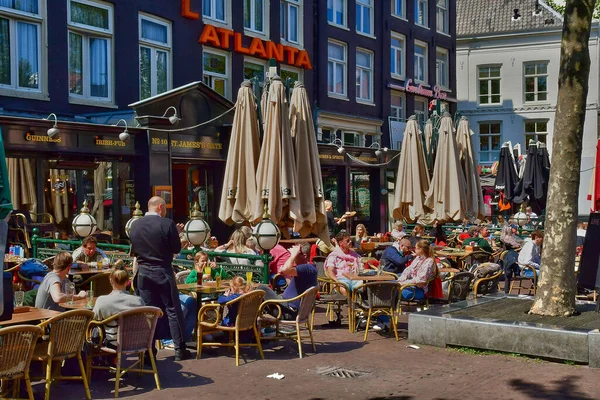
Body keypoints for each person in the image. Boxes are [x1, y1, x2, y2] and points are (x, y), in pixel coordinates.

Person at [129, 196, 190, 361]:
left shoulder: (134, 225)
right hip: (162, 271)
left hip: (143, 273)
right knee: (172, 310)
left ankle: (150, 353)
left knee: (149, 312)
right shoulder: (167, 224)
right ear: (161, 207)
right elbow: (176, 248)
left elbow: (134, 249)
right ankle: (179, 349)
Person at [374, 240, 436, 331]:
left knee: (391, 291)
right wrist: (400, 280)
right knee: (386, 287)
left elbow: (421, 280)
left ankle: (385, 320)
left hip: (419, 290)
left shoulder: (429, 261)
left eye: (415, 248)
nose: (413, 250)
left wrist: (403, 283)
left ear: (421, 250)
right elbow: (408, 270)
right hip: (410, 286)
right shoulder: (418, 258)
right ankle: (384, 319)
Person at [258, 244, 318, 318]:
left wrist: (292, 256)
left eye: (296, 253)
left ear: (304, 256)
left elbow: (286, 270)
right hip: (288, 306)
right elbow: (286, 271)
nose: (291, 254)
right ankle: (263, 326)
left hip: (288, 311)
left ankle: (255, 326)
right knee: (261, 294)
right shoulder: (309, 268)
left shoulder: (306, 268)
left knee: (261, 288)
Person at [92, 265, 145, 349]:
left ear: (110, 280)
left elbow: (94, 319)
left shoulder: (102, 301)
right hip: (137, 341)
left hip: (114, 343)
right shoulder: (138, 301)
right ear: (127, 282)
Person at [324, 231, 362, 295]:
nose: (350, 242)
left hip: (355, 278)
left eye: (351, 240)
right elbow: (330, 271)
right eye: (347, 241)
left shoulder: (355, 255)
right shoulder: (334, 255)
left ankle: (359, 302)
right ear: (340, 243)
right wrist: (336, 281)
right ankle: (351, 304)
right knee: (344, 288)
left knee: (364, 286)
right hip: (341, 279)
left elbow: (361, 266)